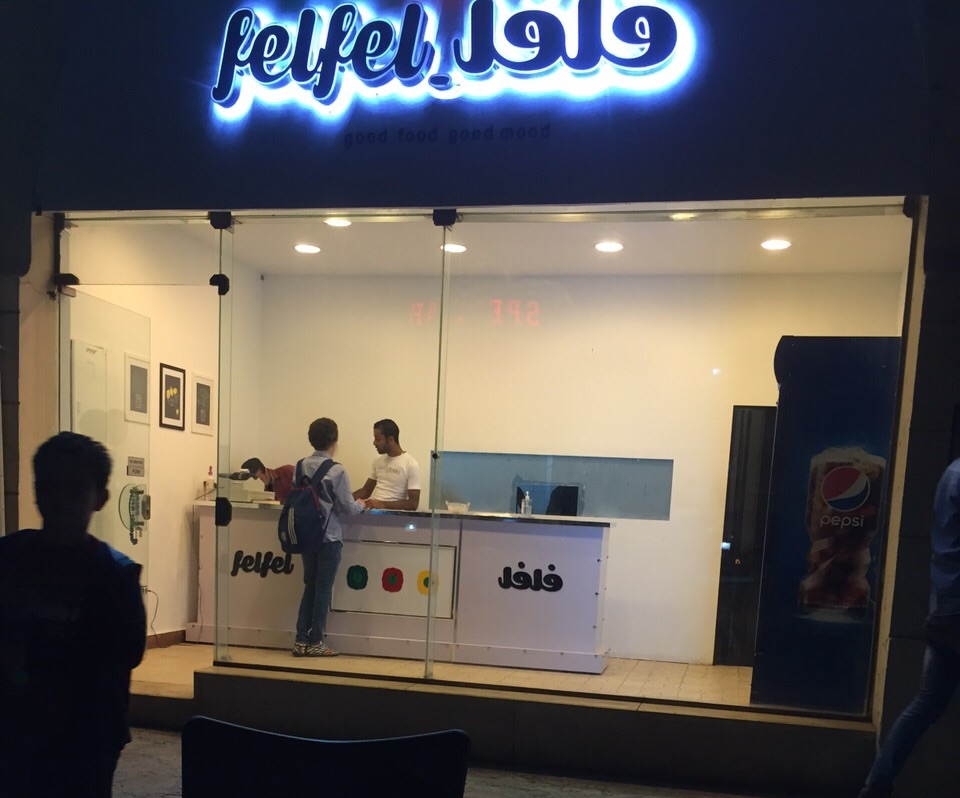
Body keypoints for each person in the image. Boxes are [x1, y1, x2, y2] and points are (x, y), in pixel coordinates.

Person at [0, 431, 147, 798]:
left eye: (74, 488)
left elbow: (123, 655)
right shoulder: (114, 571)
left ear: (101, 498)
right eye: (50, 486)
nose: (60, 500)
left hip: (81, 735)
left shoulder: (114, 576)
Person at [858, 457, 960, 798]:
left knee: (925, 704)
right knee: (926, 704)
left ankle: (876, 786)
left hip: (944, 608)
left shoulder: (952, 472)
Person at [293, 418, 366, 657]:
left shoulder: (300, 466)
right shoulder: (337, 470)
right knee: (323, 589)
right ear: (334, 441)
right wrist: (362, 504)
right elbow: (347, 507)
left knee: (310, 586)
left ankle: (300, 640)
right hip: (329, 537)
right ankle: (316, 641)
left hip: (305, 537)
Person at [352, 418, 421, 510]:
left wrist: (382, 504)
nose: (374, 443)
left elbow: (413, 504)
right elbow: (366, 491)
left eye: (378, 439)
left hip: (393, 517)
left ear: (390, 439)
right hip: (373, 513)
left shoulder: (411, 464)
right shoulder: (377, 461)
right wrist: (344, 499)